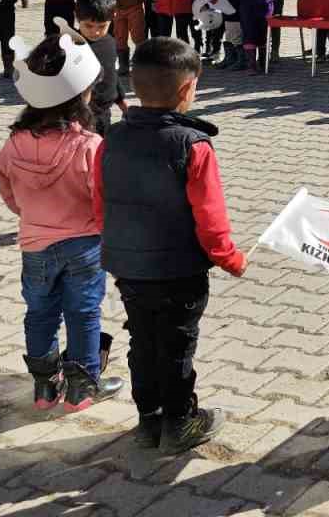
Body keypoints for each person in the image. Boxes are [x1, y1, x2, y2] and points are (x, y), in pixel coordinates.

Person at [92, 37, 246, 454]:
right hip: (179, 270)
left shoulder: (111, 139)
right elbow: (210, 218)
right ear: (187, 89)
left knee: (142, 340)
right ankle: (180, 421)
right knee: (177, 343)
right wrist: (230, 258)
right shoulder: (193, 145)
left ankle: (148, 421)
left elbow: (99, 200)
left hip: (129, 267)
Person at [0, 32, 124, 413]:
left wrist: (32, 216)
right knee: (83, 313)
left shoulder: (14, 143)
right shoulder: (90, 146)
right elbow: (102, 200)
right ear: (82, 95)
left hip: (34, 245)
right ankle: (83, 389)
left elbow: (9, 193)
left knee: (39, 313)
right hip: (84, 245)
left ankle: (44, 387)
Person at [75, 0, 127, 134]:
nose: (95, 32)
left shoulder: (110, 42)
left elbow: (112, 73)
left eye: (102, 26)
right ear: (77, 17)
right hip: (80, 118)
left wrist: (121, 101)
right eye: (89, 26)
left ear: (112, 18)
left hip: (105, 113)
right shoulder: (72, 45)